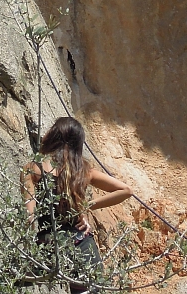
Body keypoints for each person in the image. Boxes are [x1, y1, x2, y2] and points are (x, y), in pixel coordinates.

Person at [22, 116, 133, 292]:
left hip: (49, 245)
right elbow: (126, 190)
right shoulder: (83, 171)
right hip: (81, 243)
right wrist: (86, 206)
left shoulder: (32, 169)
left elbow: (29, 216)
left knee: (9, 279)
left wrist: (23, 248)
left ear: (55, 135)